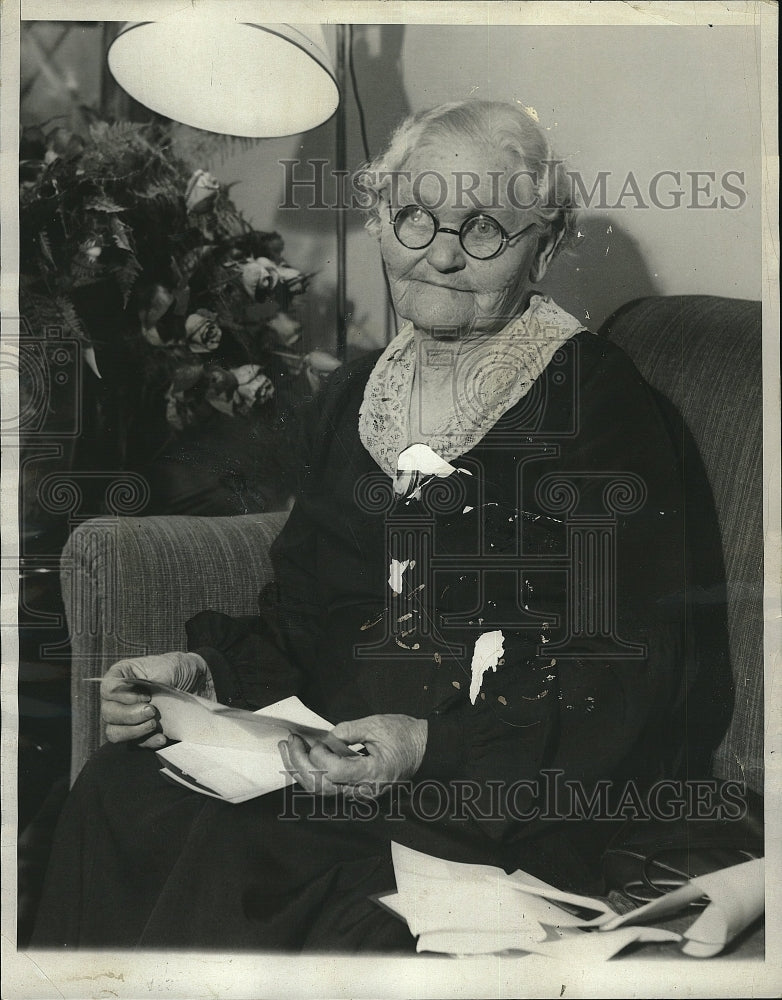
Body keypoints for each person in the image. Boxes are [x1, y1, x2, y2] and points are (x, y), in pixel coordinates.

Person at [31, 100, 732, 951]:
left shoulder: (596, 407)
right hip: (343, 767)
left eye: (483, 229)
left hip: (505, 796)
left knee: (244, 852)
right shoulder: (358, 395)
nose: (440, 253)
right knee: (122, 790)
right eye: (415, 218)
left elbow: (625, 674)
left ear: (544, 246)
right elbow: (307, 615)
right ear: (380, 222)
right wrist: (205, 672)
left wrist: (426, 744)